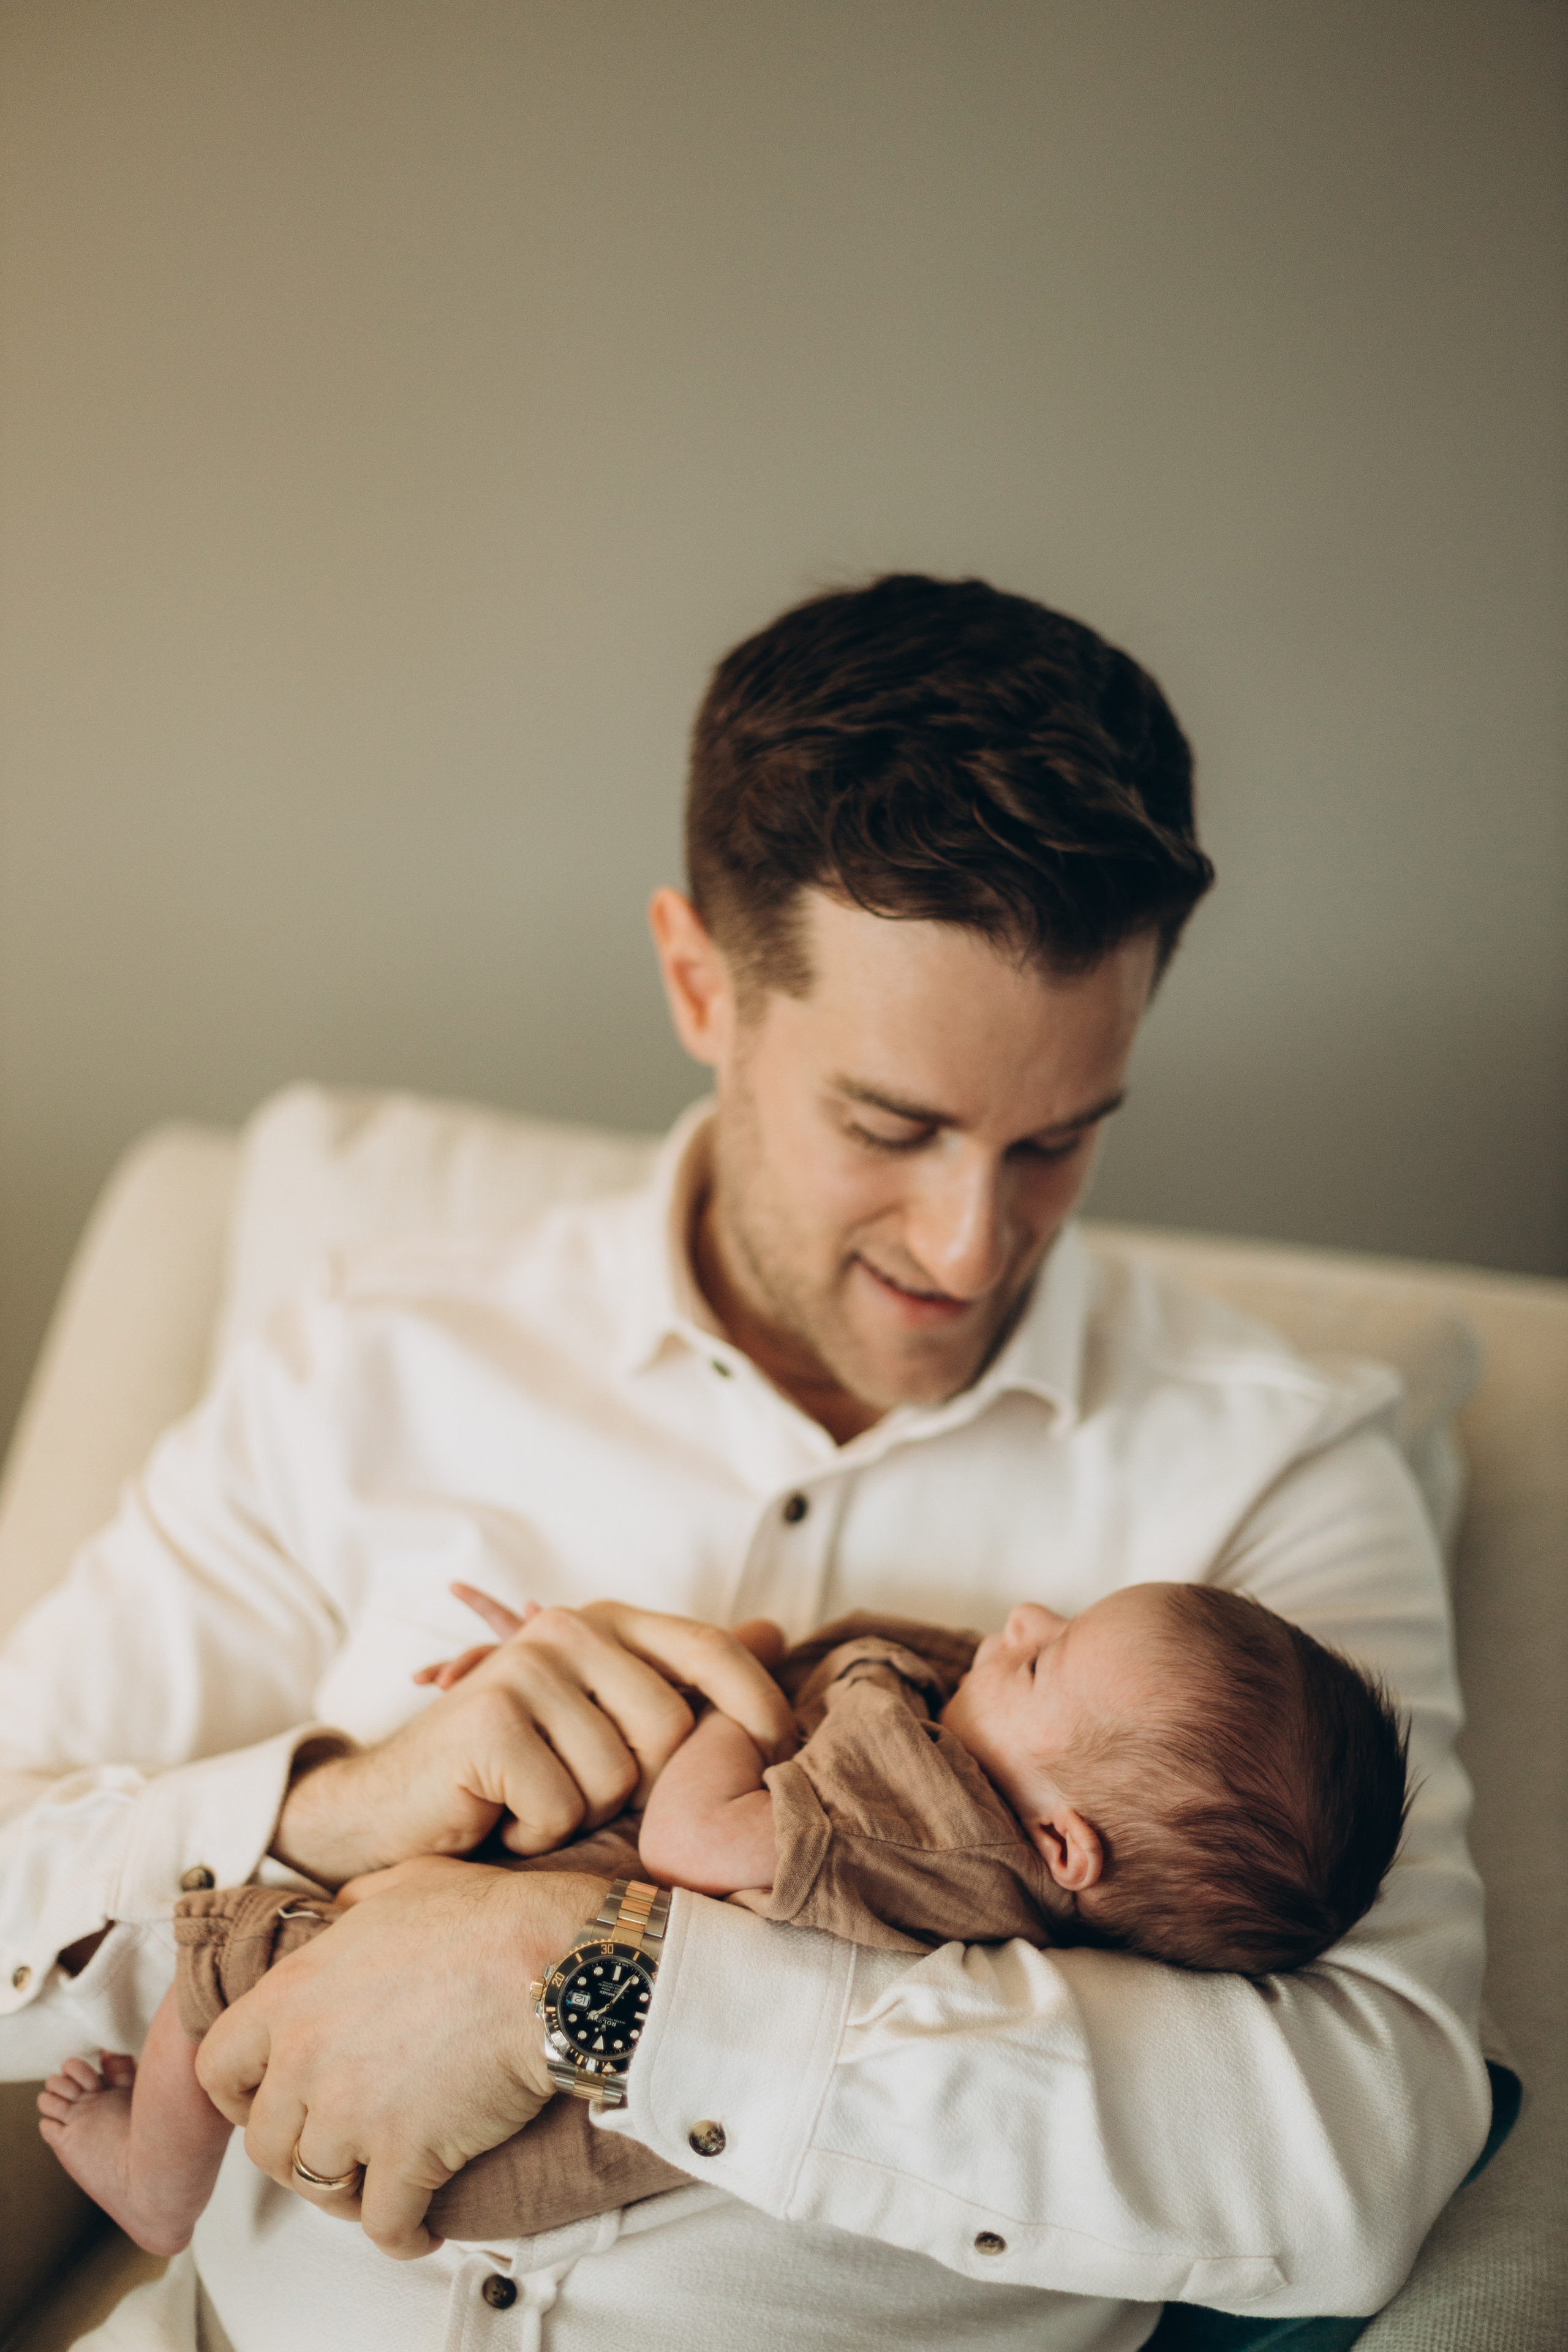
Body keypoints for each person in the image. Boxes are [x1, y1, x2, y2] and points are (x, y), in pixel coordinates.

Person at [0, 574, 1490, 2352]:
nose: (967, 1242)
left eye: (1058, 1143)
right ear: (700, 982)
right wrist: (329, 1804)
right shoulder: (373, 1357)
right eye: (894, 1126)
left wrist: (600, 1981)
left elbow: (1352, 2156)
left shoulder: (1277, 1476)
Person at [35, 1581, 1412, 2258]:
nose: (1017, 1614)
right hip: (474, 2075)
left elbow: (702, 1839)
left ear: (1060, 1842)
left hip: (483, 2126)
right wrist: (356, 1792)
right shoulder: (977, 1829)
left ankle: (158, 2185)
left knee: (224, 1950)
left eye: (1041, 1657)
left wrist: (726, 1711)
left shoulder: (928, 1810)